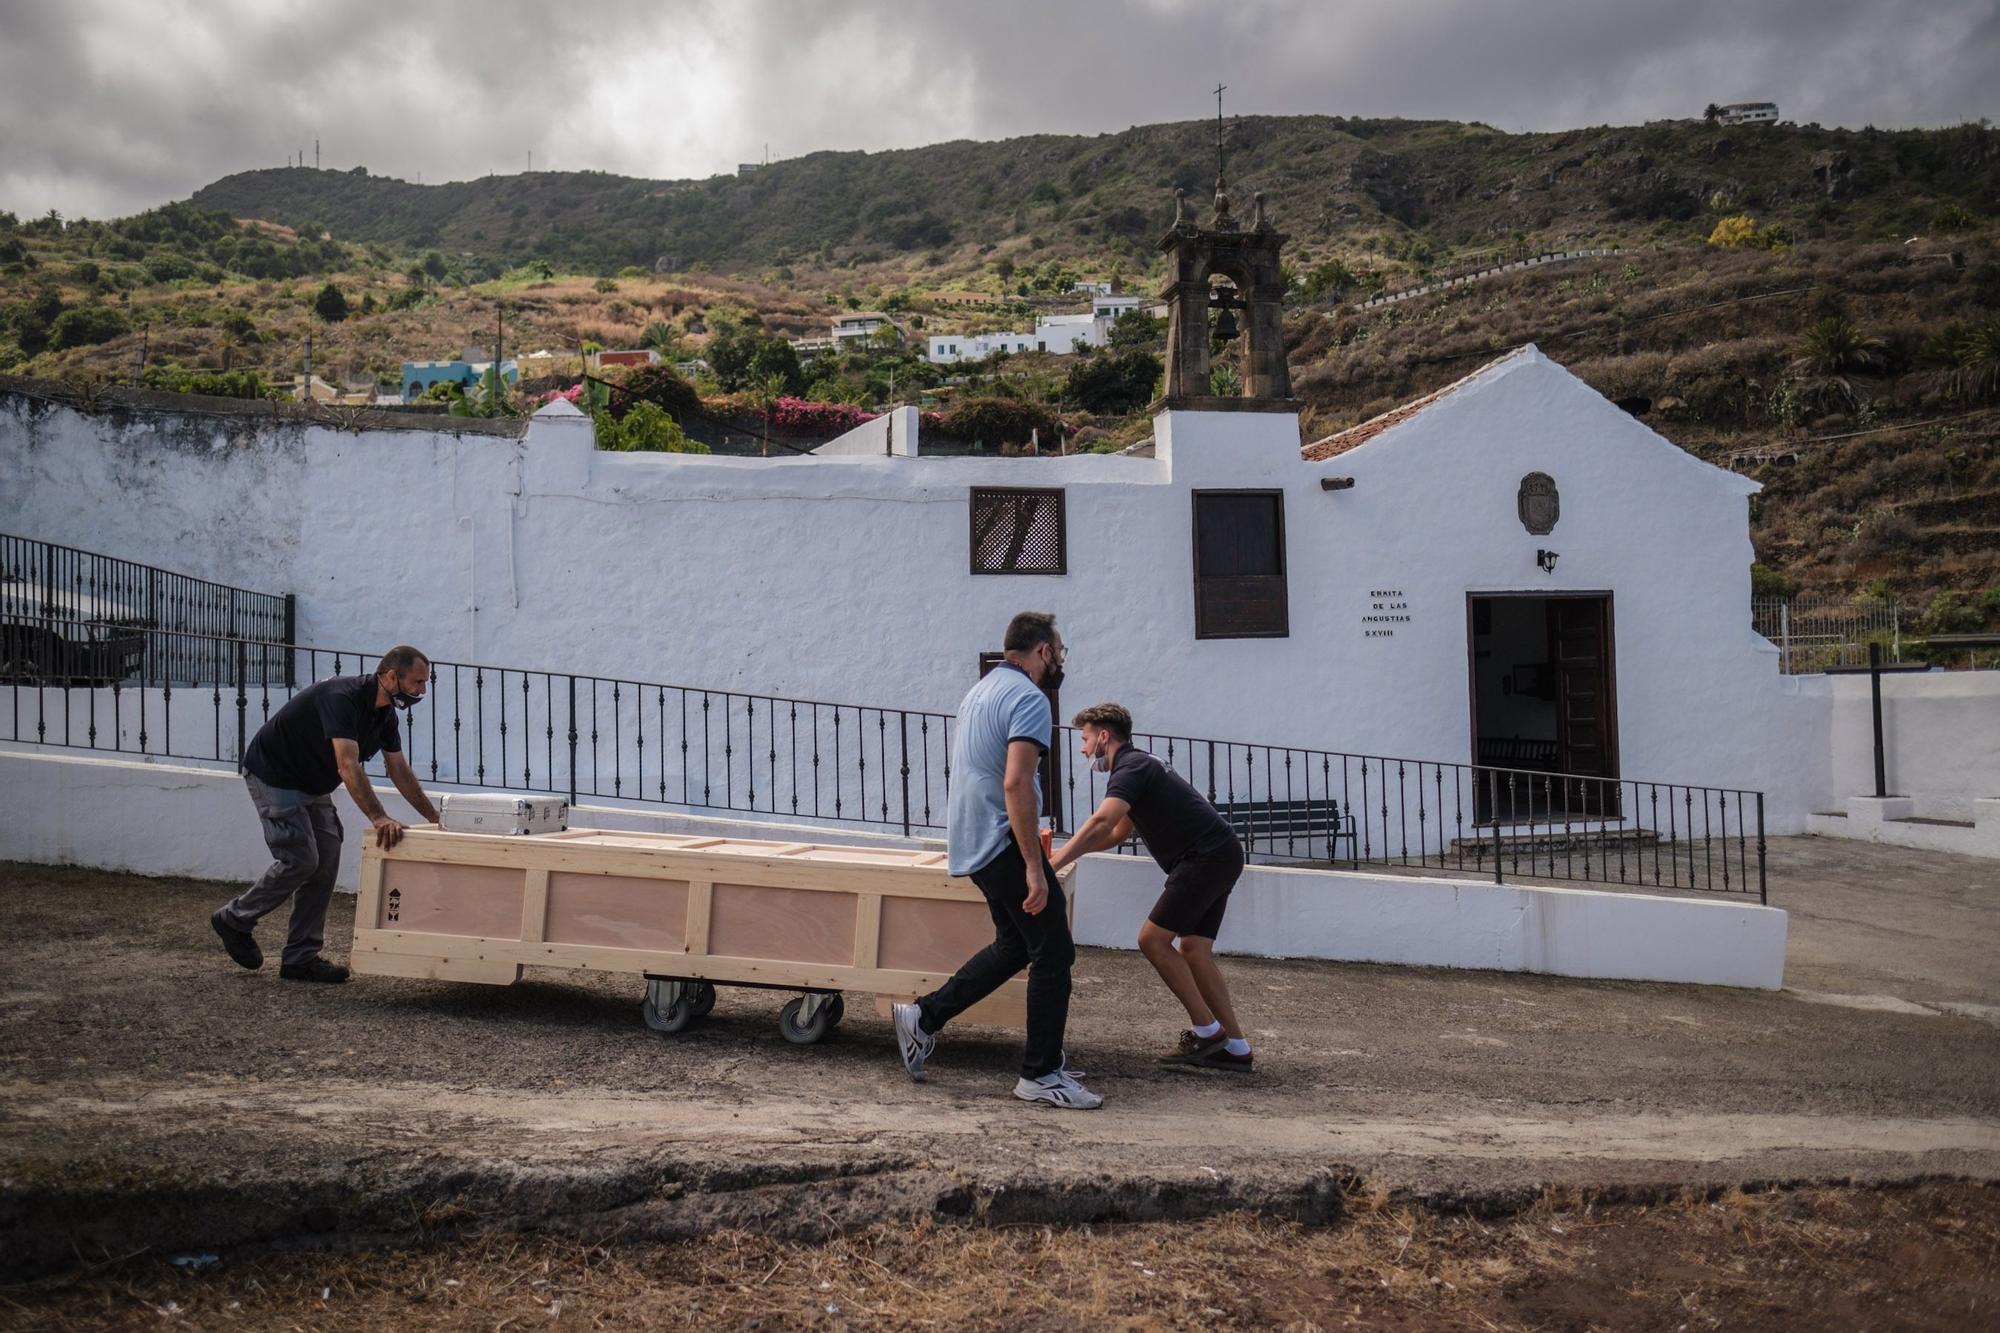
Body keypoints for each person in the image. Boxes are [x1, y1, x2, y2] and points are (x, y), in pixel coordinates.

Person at [892, 612, 1102, 1109]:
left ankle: (922, 1017)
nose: (1061, 661)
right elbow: (1015, 782)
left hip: (974, 839)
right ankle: (1040, 1074)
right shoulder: (1029, 698)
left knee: (1015, 945)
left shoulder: (980, 692)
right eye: (1061, 651)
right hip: (1001, 838)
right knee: (1054, 952)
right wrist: (1035, 866)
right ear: (1044, 651)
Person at [211, 645, 441, 983]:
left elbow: (399, 771)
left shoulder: (385, 716)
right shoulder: (342, 697)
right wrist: (379, 817)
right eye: (418, 682)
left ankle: (300, 958)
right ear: (392, 676)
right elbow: (347, 766)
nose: (422, 691)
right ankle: (234, 919)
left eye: (425, 683)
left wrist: (436, 819)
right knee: (301, 858)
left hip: (312, 784)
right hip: (275, 775)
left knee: (327, 857)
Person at [1050, 703, 1253, 1071]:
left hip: (1203, 858)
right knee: (1194, 948)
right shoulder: (1142, 765)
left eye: (1084, 739)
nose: (1082, 749)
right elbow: (1116, 833)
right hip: (1220, 854)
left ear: (1104, 737)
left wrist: (1055, 863)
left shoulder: (1130, 767)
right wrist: (1067, 852)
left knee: (1152, 939)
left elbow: (1101, 820)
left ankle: (1207, 1032)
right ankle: (1236, 1049)